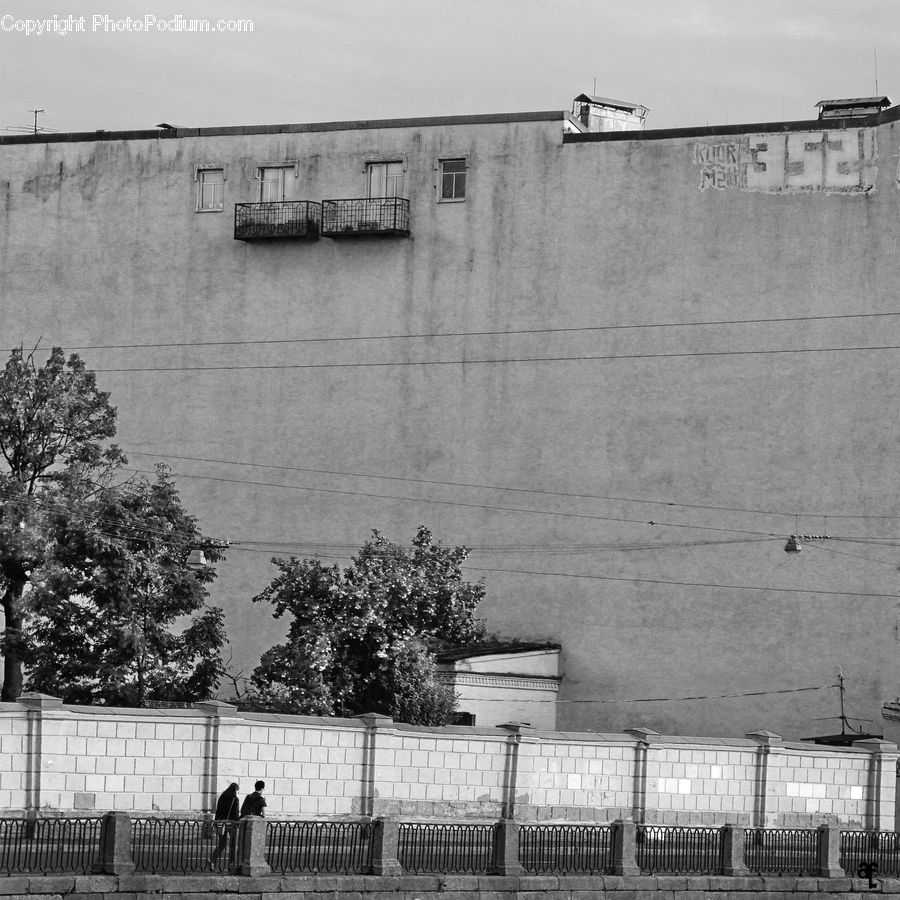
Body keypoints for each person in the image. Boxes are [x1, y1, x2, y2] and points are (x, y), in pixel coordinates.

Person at [209, 782, 240, 867]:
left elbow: (218, 811)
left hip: (221, 824)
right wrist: (238, 823)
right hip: (231, 824)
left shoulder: (222, 797)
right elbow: (236, 814)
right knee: (232, 845)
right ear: (236, 790)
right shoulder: (235, 799)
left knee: (222, 844)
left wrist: (216, 823)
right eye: (238, 791)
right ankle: (231, 864)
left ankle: (212, 859)